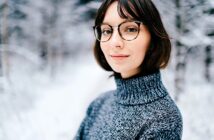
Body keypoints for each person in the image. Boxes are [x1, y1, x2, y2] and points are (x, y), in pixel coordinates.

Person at [74, 0, 183, 139]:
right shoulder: (99, 103)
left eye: (130, 29)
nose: (115, 43)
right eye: (106, 31)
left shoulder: (164, 119)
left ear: (153, 37)